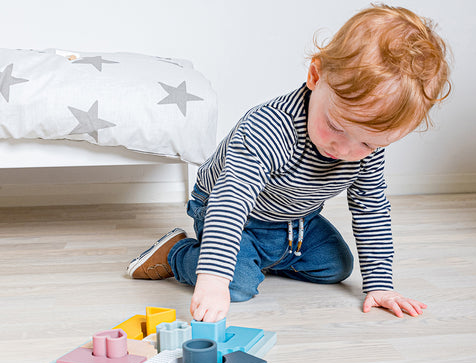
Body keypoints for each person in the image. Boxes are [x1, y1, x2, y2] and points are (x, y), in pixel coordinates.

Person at [127, 4, 451, 323]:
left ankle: (259, 256)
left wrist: (381, 285)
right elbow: (231, 200)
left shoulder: (365, 146)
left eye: (369, 143)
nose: (347, 150)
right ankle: (178, 254)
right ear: (315, 75)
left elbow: (371, 208)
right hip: (234, 211)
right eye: (337, 127)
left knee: (336, 268)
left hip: (296, 218)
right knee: (237, 286)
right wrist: (213, 280)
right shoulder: (270, 127)